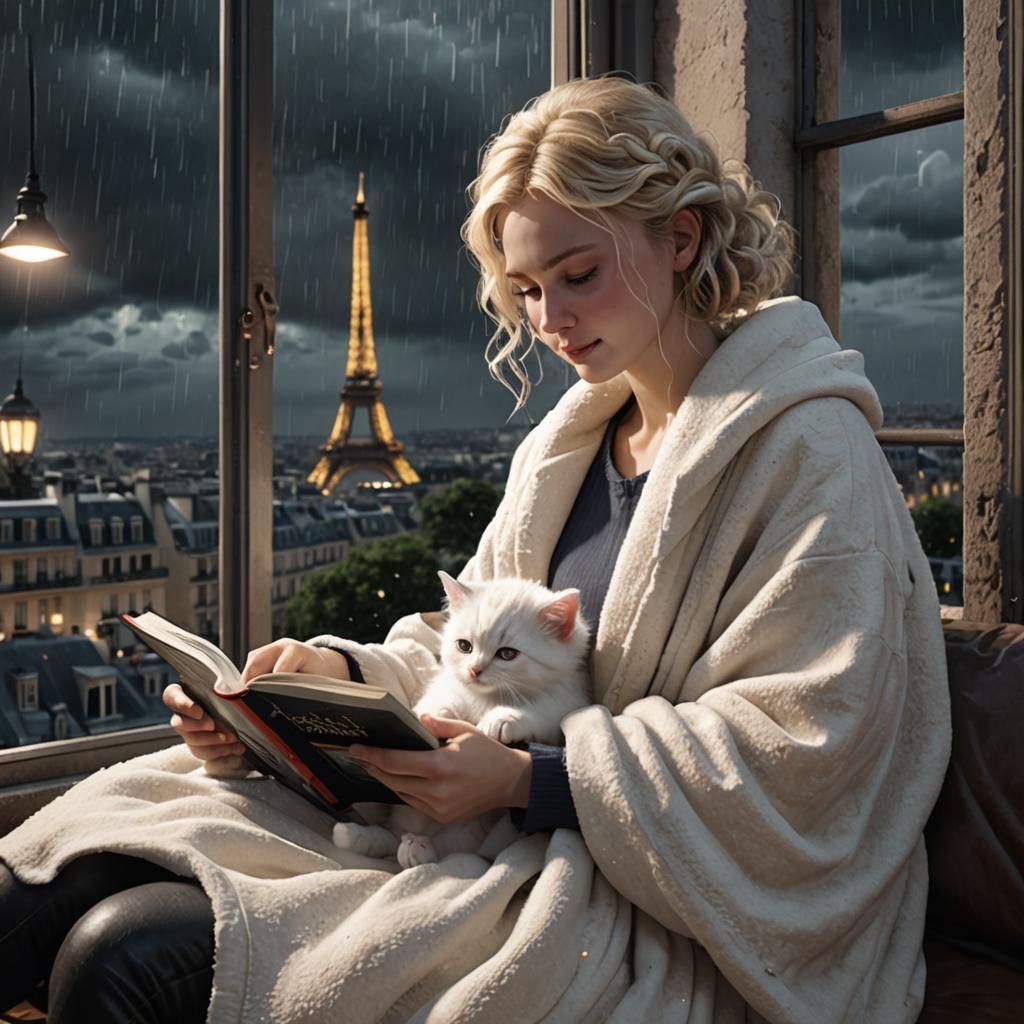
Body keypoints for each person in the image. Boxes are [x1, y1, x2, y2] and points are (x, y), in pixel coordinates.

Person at [0, 76, 951, 1024]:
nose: (547, 320)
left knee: (121, 953)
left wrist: (534, 778)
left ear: (683, 238)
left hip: (644, 900)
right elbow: (470, 640)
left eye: (579, 275)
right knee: (55, 882)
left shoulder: (811, 451)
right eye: (528, 289)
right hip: (493, 832)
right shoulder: (569, 443)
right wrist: (325, 684)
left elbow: (811, 749)